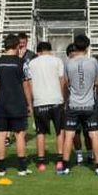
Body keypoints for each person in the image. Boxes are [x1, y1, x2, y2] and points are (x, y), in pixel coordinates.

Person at [59, 34, 98, 176]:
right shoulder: (93, 62)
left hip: (73, 104)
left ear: (75, 46)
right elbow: (97, 82)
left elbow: (67, 83)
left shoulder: (68, 63)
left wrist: (65, 100)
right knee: (94, 135)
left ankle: (65, 167)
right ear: (87, 47)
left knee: (69, 135)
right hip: (89, 104)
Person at [0, 33, 33, 177]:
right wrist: (29, 104)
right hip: (18, 103)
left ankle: (1, 168)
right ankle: (22, 168)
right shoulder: (22, 62)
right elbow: (26, 85)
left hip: (2, 104)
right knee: (20, 135)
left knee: (1, 135)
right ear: (17, 46)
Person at [28, 41, 66, 172]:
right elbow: (62, 81)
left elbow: (29, 83)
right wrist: (62, 97)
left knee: (40, 133)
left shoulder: (32, 63)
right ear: (50, 50)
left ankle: (41, 162)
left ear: (38, 51)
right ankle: (60, 160)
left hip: (40, 101)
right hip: (56, 100)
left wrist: (31, 100)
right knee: (60, 131)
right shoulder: (57, 61)